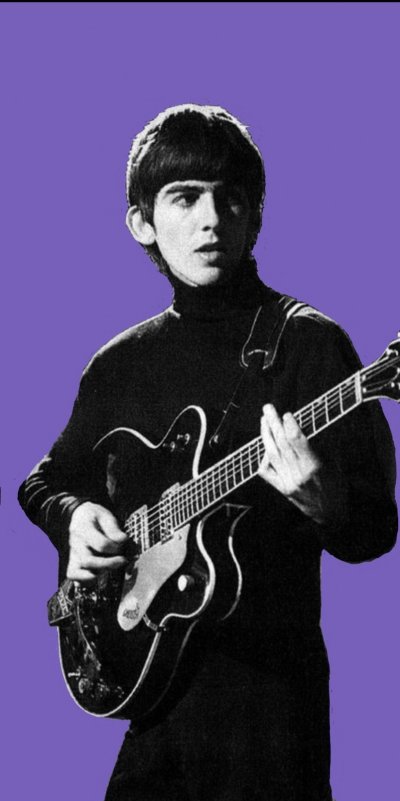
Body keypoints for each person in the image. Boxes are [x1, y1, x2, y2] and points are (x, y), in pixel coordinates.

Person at [18, 105, 397, 801]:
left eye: (231, 199)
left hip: (271, 716)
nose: (211, 220)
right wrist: (73, 519)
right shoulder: (118, 363)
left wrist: (326, 503)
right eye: (185, 197)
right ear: (142, 222)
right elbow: (42, 482)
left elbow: (377, 529)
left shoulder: (311, 345)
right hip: (154, 696)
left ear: (256, 216)